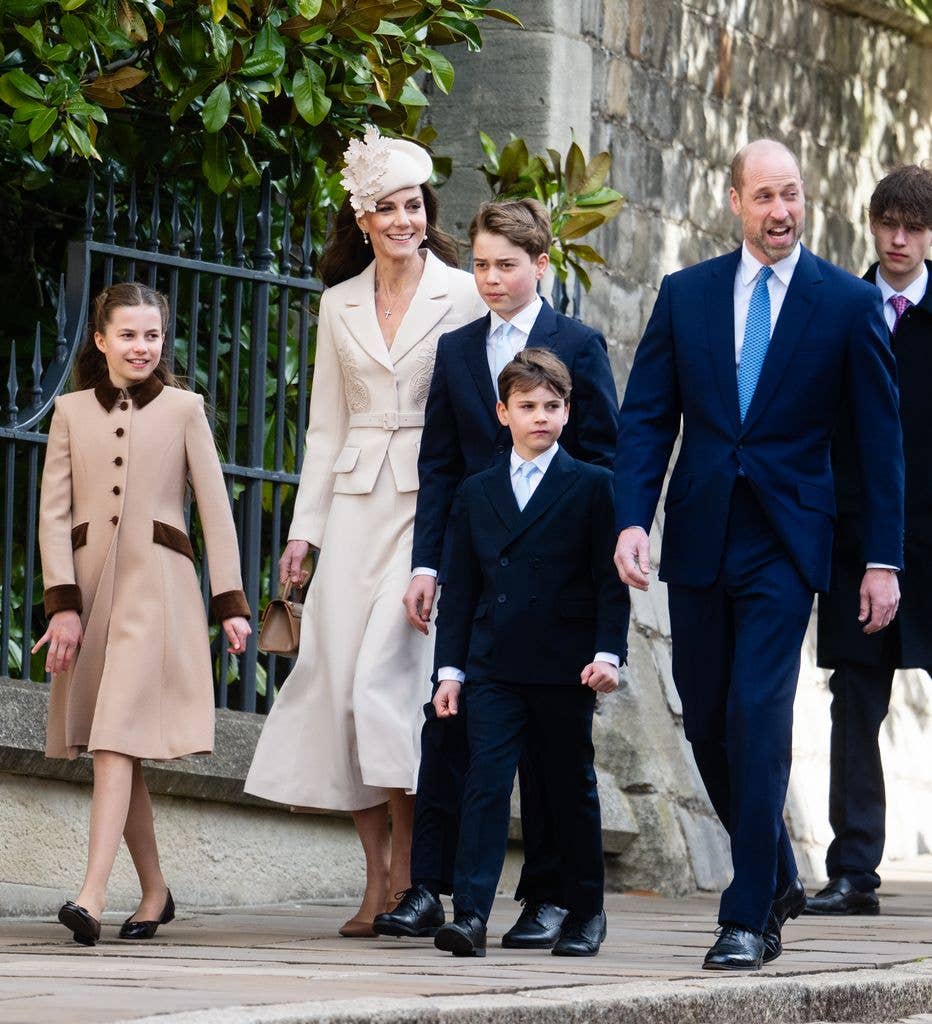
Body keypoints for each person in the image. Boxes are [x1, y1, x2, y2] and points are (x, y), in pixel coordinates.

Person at [613, 139, 904, 970]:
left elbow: (878, 445)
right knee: (706, 717)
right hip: (701, 534)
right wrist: (632, 519)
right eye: (766, 196)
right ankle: (777, 870)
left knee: (757, 714)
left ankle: (746, 917)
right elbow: (647, 419)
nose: (782, 211)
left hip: (787, 542)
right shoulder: (687, 294)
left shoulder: (847, 303)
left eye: (793, 194)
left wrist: (881, 559)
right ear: (735, 200)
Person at [243, 127, 486, 937]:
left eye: (414, 206)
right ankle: (376, 876)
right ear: (364, 219)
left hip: (428, 507)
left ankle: (413, 875)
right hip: (351, 508)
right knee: (339, 686)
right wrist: (303, 532)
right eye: (388, 208)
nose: (405, 220)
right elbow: (324, 426)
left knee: (387, 683)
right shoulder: (337, 302)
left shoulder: (464, 293)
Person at [375, 199, 618, 948]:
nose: (490, 278)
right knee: (449, 728)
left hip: (552, 584)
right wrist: (426, 562)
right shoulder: (456, 350)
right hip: (475, 566)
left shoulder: (578, 344)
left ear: (540, 265)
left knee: (550, 759)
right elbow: (440, 464)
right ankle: (432, 887)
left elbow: (604, 457)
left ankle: (548, 898)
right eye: (479, 264)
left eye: (506, 265)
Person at [34, 282, 251, 946]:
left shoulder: (186, 409)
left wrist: (231, 603)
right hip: (90, 595)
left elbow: (215, 509)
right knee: (116, 746)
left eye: (152, 335)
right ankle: (155, 890)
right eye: (128, 334)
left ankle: (91, 895)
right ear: (100, 340)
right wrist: (62, 605)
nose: (141, 346)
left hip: (158, 592)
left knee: (113, 741)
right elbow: (53, 516)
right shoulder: (69, 411)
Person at [429, 349, 628, 958]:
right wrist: (450, 672)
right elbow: (461, 588)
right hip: (493, 663)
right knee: (485, 785)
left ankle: (587, 912)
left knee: (570, 786)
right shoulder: (476, 490)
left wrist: (608, 655)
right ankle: (470, 916)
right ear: (503, 413)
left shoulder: (593, 485)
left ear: (568, 412)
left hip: (566, 665)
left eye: (551, 406)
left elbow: (609, 582)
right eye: (527, 406)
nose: (540, 416)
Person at [808, 165, 932, 916]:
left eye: (913, 227)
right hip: (857, 545)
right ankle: (854, 870)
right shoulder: (839, 311)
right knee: (854, 701)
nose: (898, 240)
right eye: (888, 223)